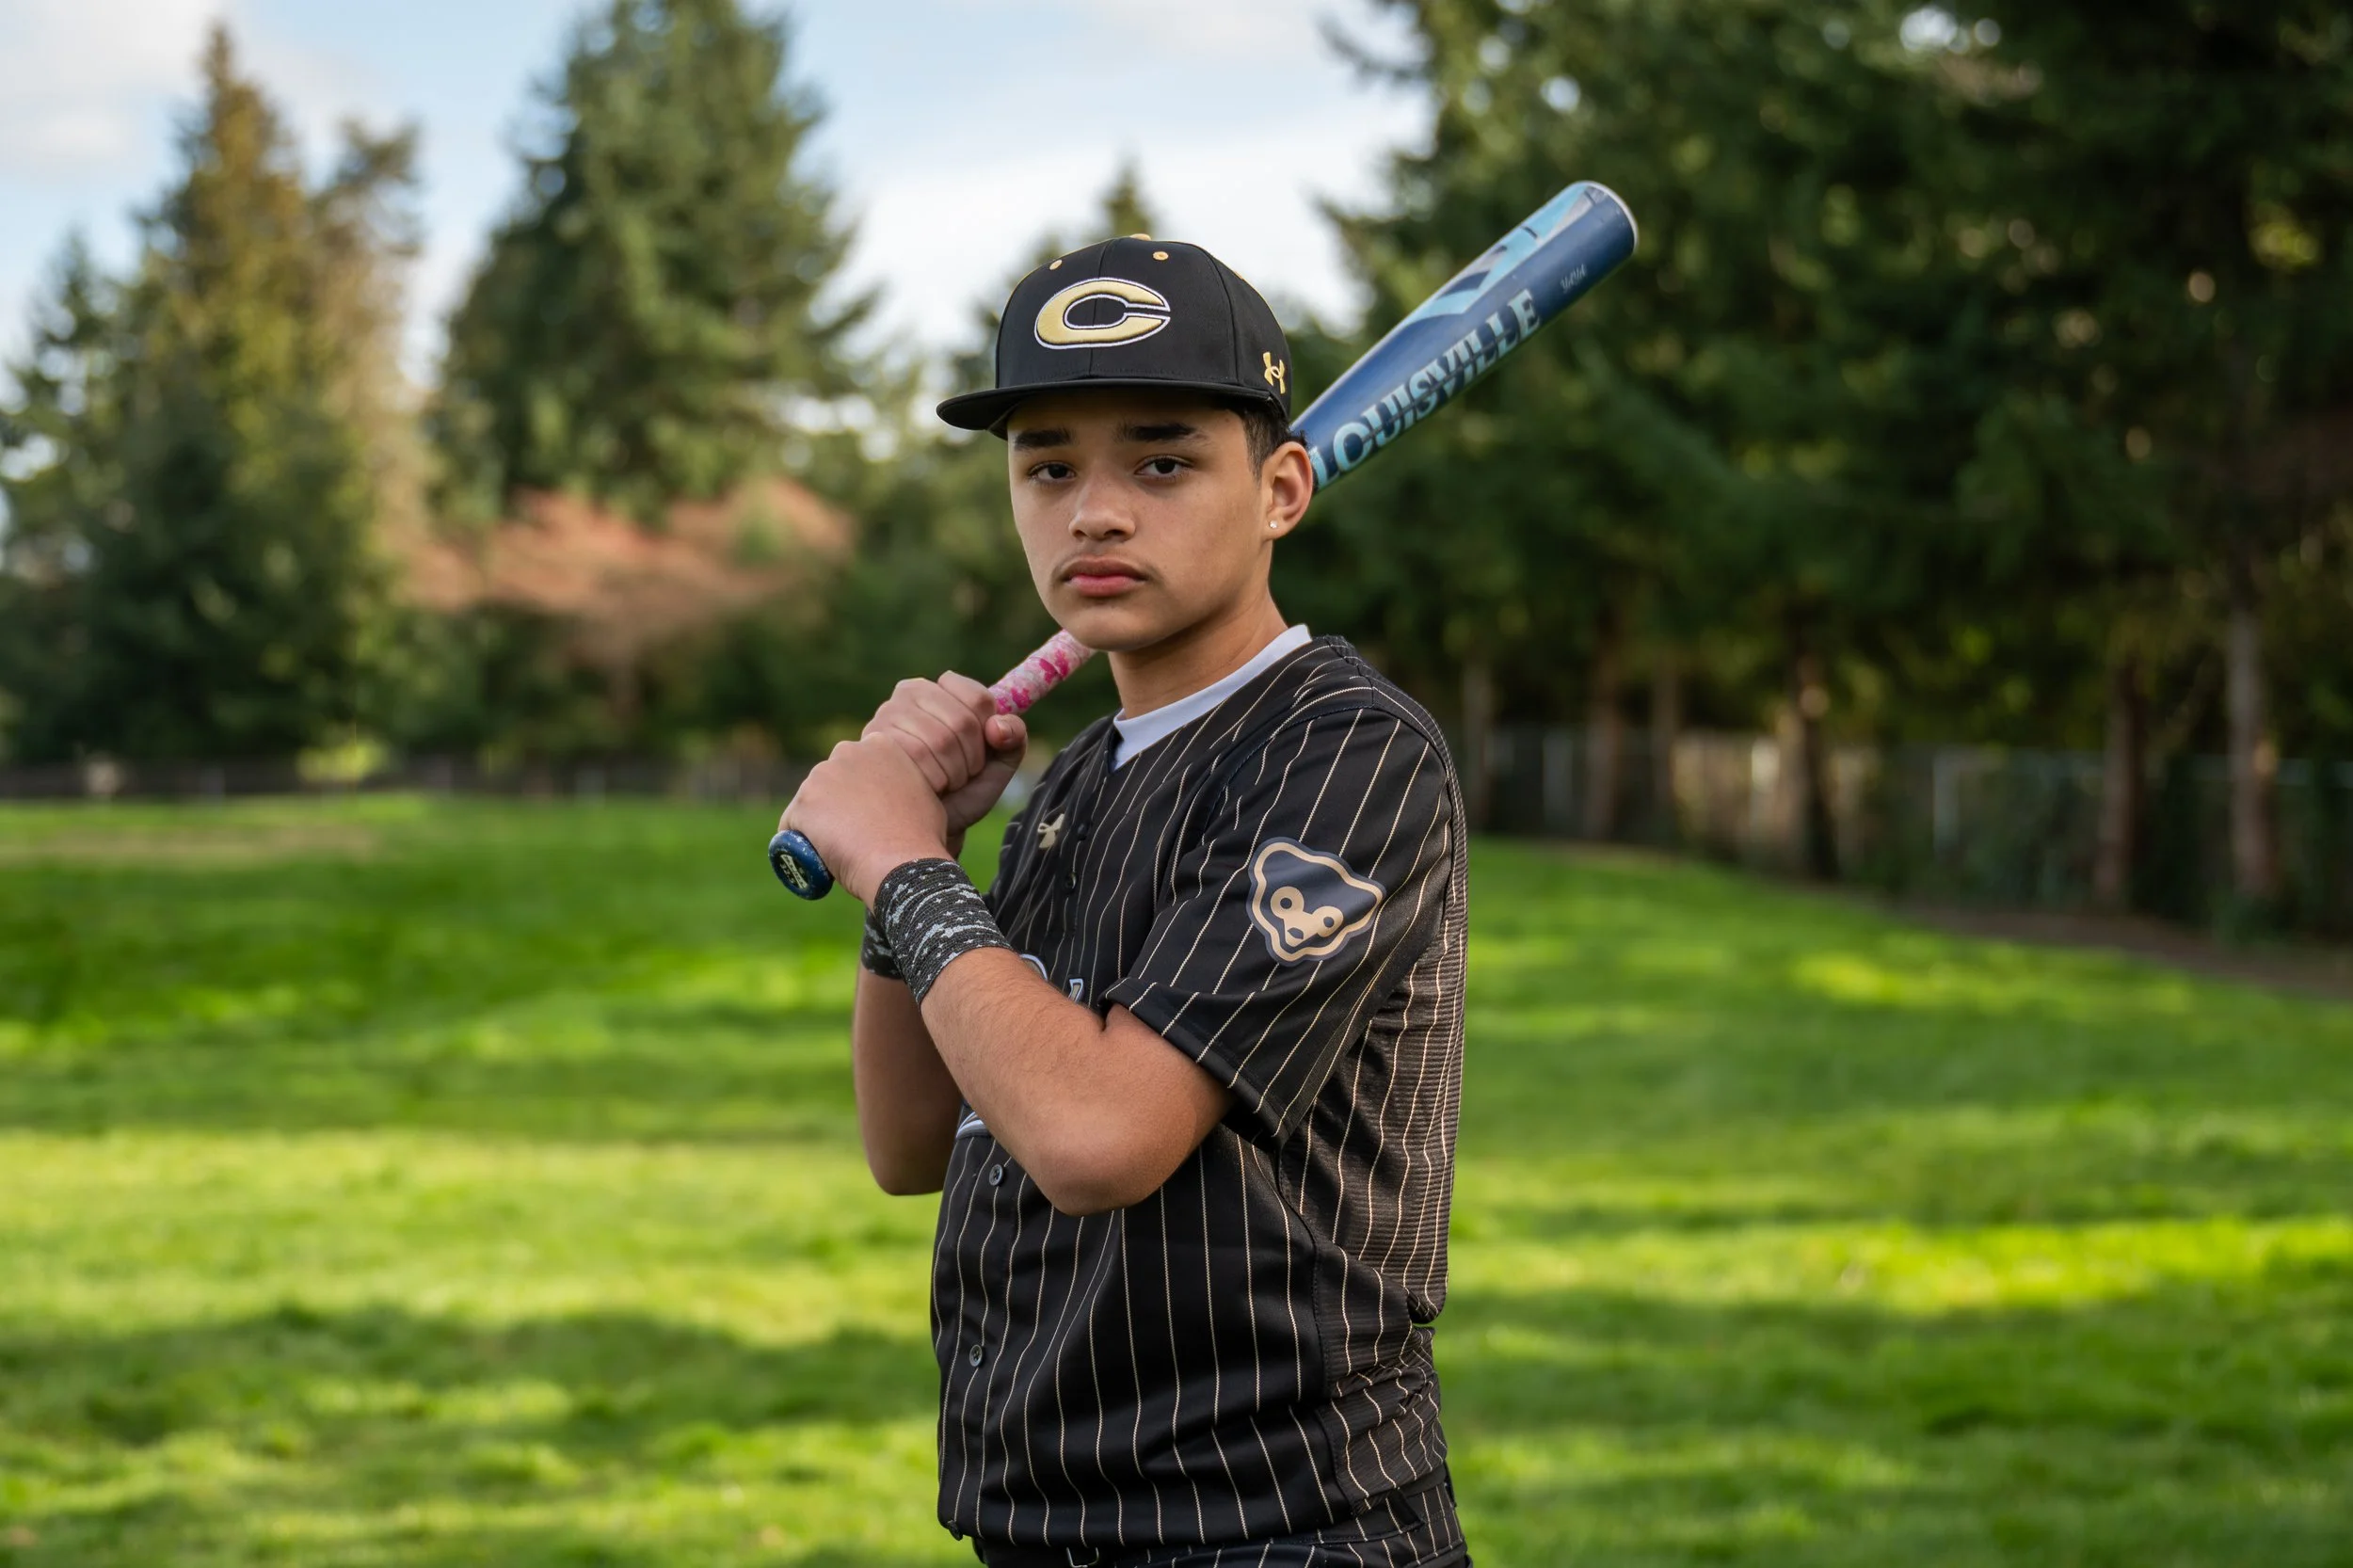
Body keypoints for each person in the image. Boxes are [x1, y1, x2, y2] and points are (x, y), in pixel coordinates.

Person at [778, 234, 1470, 1567]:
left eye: (1162, 461)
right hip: (1047, 1523)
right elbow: (911, 1140)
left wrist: (901, 866)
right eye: (1049, 466)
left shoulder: (1345, 753)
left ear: (1279, 490)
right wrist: (921, 853)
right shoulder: (1081, 778)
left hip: (1277, 1526)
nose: (1096, 510)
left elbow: (1099, 1134)